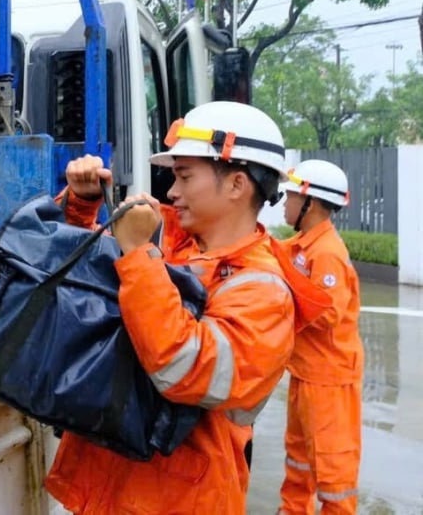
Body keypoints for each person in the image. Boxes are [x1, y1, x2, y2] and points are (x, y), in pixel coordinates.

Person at [45, 101, 322, 514]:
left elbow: (185, 370)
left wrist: (138, 251)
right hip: (119, 490)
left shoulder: (264, 291)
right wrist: (83, 208)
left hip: (178, 501)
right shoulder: (180, 249)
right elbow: (82, 294)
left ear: (236, 185)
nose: (171, 191)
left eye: (183, 175)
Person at [278, 159, 363, 514]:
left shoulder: (327, 254)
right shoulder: (301, 245)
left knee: (333, 471)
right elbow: (269, 258)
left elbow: (326, 314)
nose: (284, 202)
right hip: (306, 373)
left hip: (329, 380)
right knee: (298, 459)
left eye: (291, 196)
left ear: (309, 204)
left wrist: (284, 301)